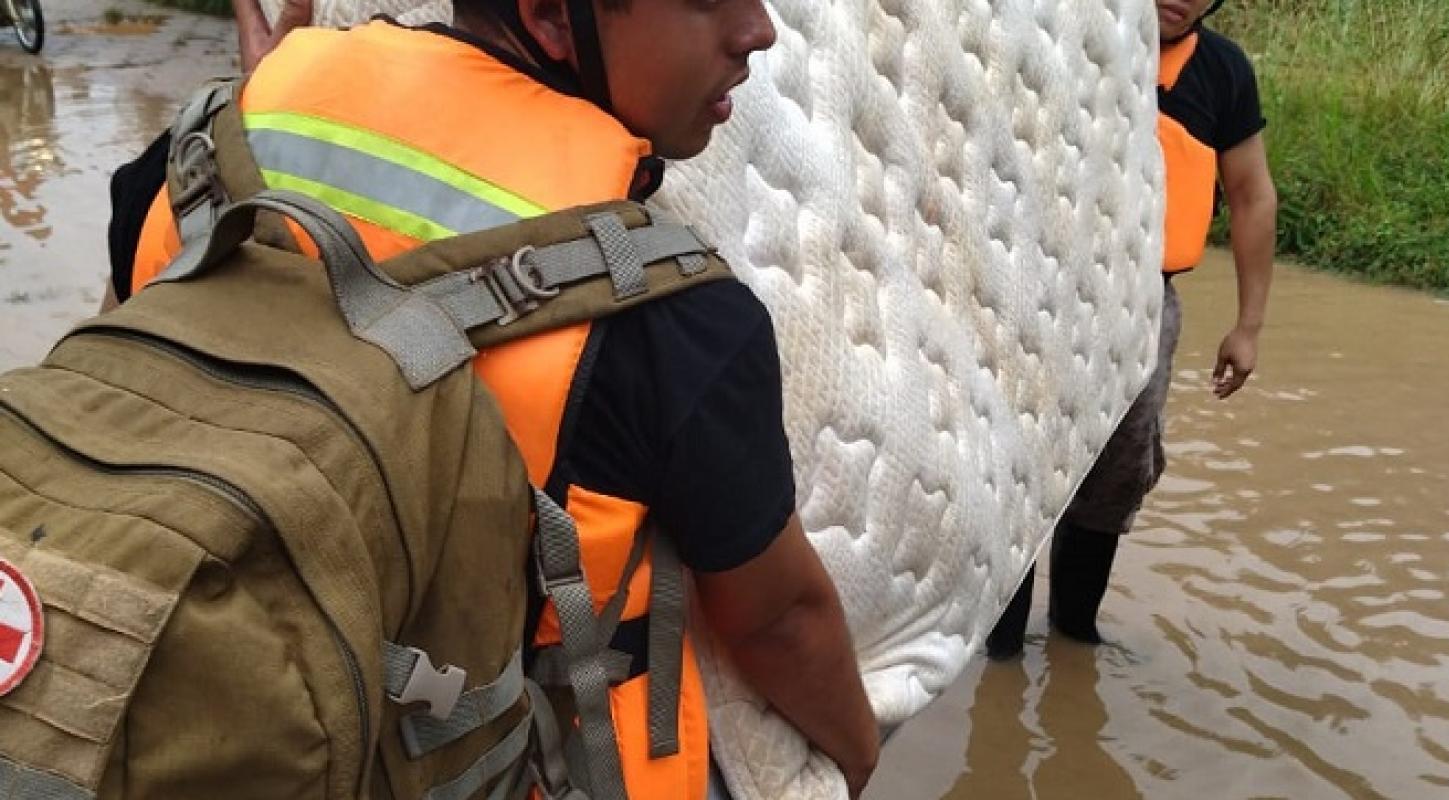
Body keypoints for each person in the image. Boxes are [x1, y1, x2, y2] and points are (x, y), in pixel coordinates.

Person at [104, 0, 881, 795]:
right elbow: (780, 623)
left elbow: (126, 362)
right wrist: (856, 756)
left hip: (180, 726)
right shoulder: (672, 318)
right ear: (549, 16)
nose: (758, 30)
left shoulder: (201, 158)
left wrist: (253, 108)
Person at [987, 0, 1277, 656]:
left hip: (1144, 302)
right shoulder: (1060, 35)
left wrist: (1249, 325)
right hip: (1034, 290)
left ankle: (1074, 639)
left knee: (1116, 473)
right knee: (1016, 471)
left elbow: (1252, 195)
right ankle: (998, 654)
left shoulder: (1223, 71)